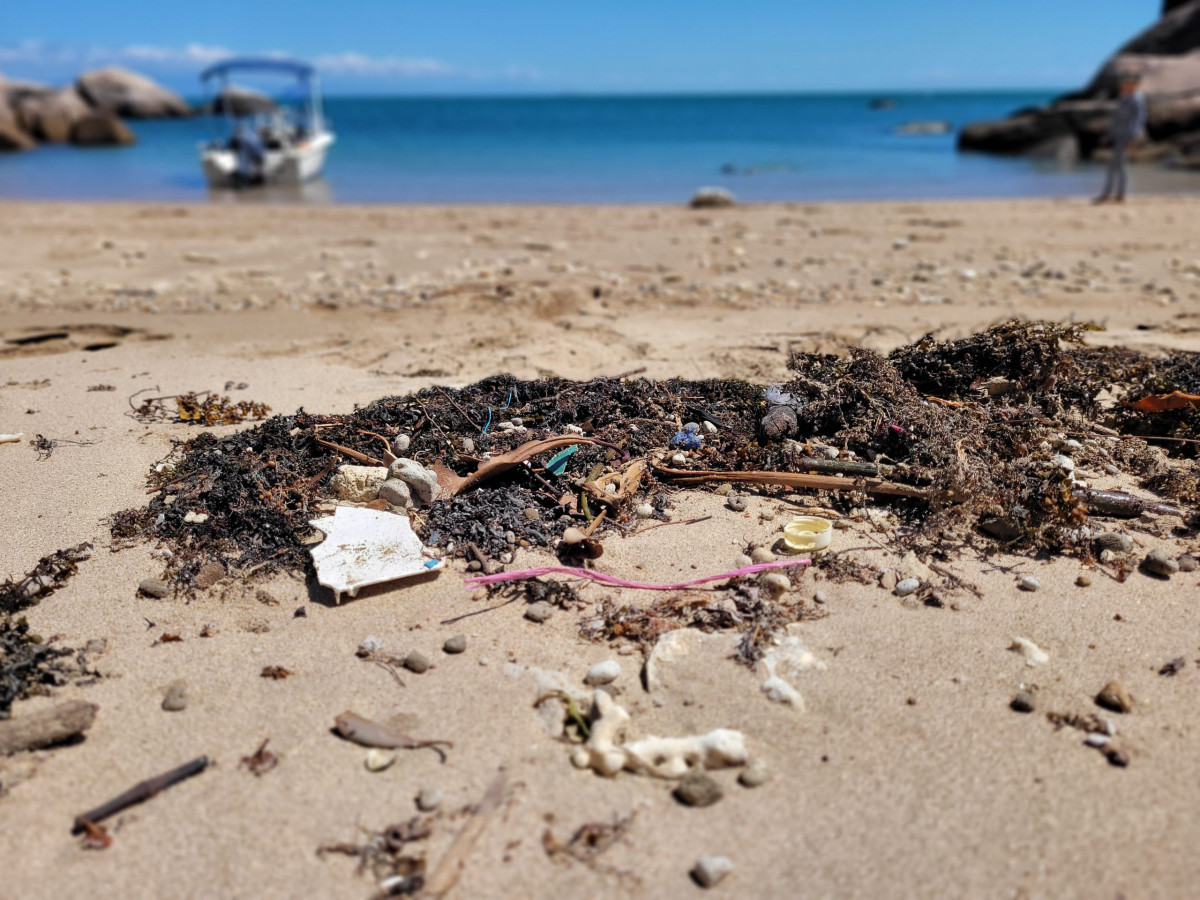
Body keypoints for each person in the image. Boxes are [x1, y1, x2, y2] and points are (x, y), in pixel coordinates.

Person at [1095, 71, 1147, 204]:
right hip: (1117, 135)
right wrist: (1108, 134)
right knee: (1117, 165)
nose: (1122, 85)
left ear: (1133, 85)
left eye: (1125, 83)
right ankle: (1117, 194)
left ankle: (1113, 194)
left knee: (1117, 165)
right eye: (1122, 83)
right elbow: (1116, 119)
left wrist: (1133, 137)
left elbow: (1138, 120)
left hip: (1126, 136)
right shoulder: (1123, 98)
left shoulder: (1137, 99)